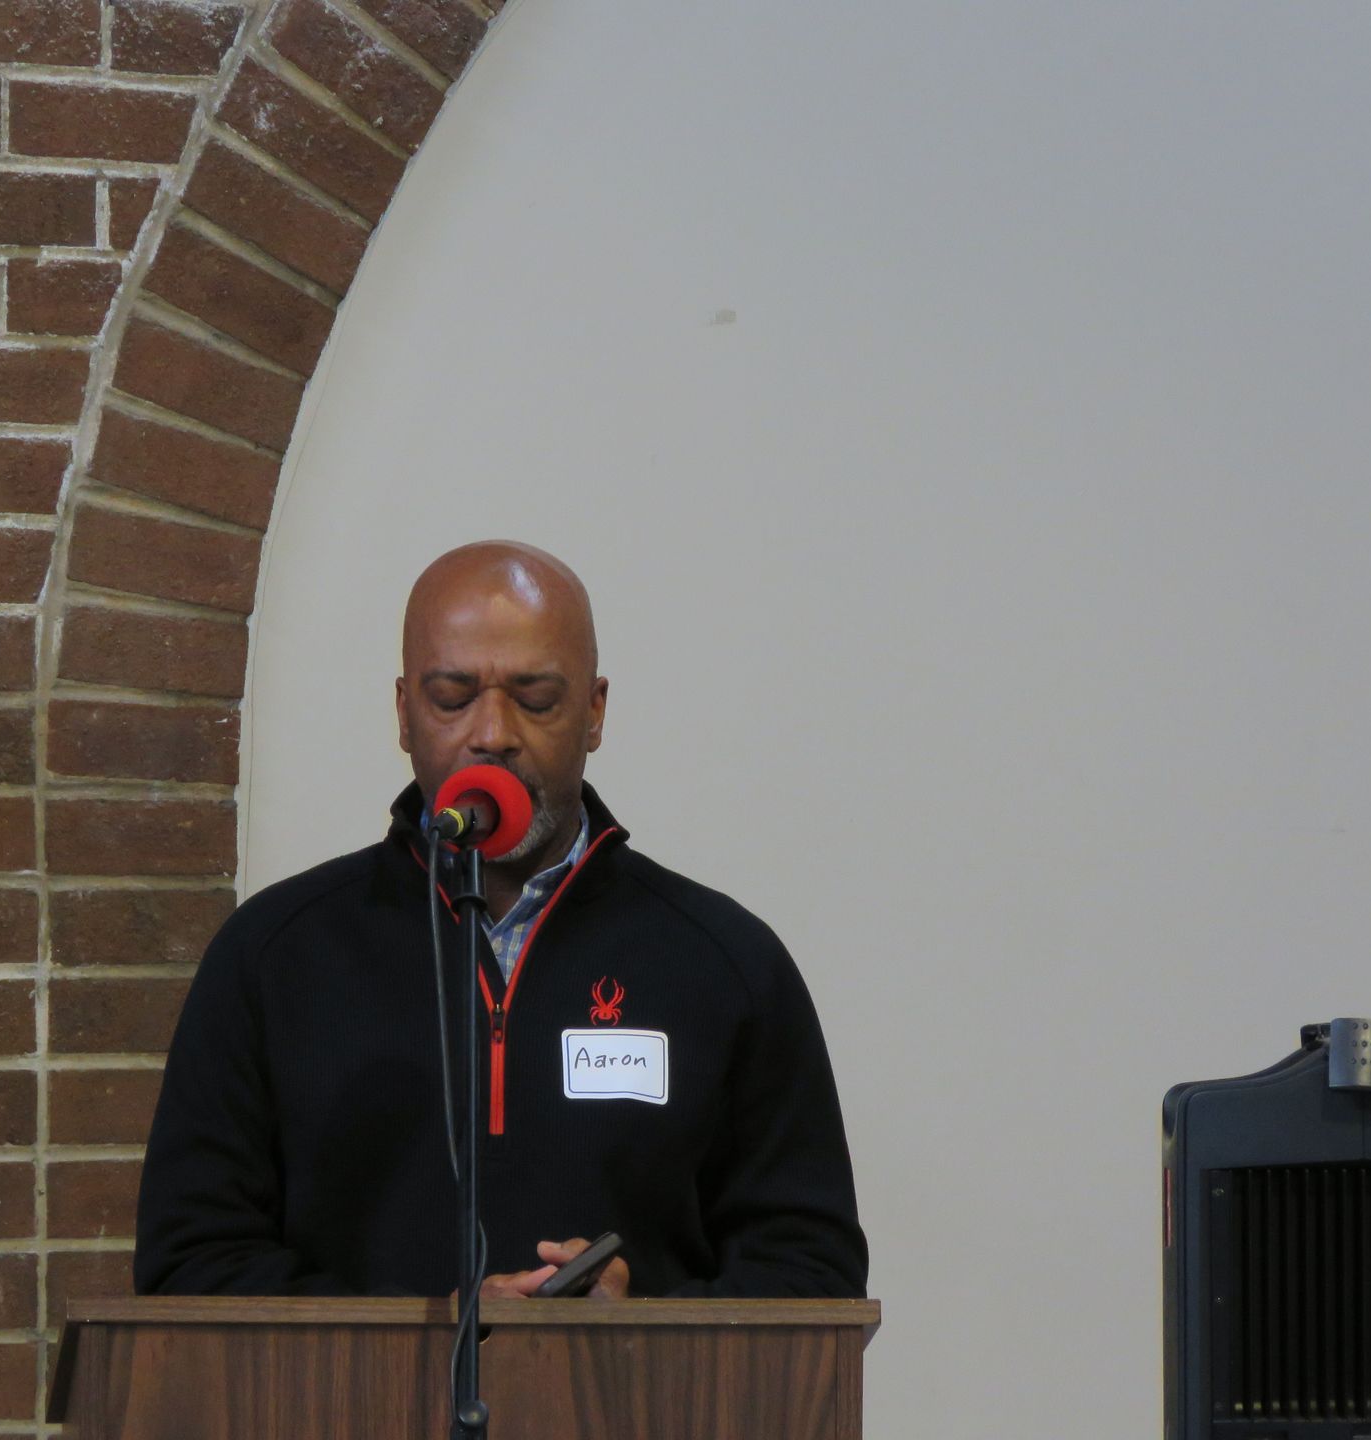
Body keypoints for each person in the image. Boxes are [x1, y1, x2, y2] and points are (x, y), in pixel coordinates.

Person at [133, 541, 867, 1299]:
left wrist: (639, 1329)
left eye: (537, 697)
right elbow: (191, 1263)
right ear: (404, 714)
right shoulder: (273, 956)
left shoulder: (727, 962)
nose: (493, 733)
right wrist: (439, 1340)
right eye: (453, 697)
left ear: (594, 711)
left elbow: (810, 1270)